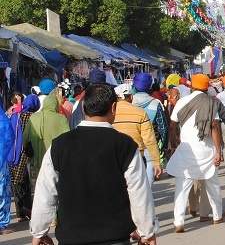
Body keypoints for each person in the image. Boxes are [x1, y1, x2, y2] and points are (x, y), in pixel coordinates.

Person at [29, 83, 156, 245]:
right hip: (115, 238)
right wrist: (147, 232)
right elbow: (139, 193)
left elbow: (45, 193)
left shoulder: (59, 146)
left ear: (83, 107)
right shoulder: (125, 145)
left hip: (71, 238)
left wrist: (39, 232)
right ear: (114, 108)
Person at [167, 74, 225, 232]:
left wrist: (174, 144)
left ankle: (179, 222)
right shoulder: (211, 102)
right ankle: (217, 216)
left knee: (181, 188)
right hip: (206, 150)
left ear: (192, 86)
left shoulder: (181, 101)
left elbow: (172, 125)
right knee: (213, 185)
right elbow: (214, 126)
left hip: (186, 150)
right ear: (207, 87)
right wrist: (218, 151)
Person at [113, 84, 162, 184]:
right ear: (131, 97)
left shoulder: (110, 113)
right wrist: (156, 162)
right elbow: (149, 140)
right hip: (136, 158)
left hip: (115, 159)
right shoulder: (140, 113)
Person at [23, 89, 70, 189]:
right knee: (53, 192)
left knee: (37, 191)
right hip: (55, 165)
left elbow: (24, 139)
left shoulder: (33, 118)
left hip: (35, 164)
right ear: (55, 105)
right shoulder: (61, 119)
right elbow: (68, 141)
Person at [9, 94, 40, 223]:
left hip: (13, 153)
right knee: (27, 184)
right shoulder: (34, 117)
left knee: (17, 183)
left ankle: (20, 213)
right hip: (27, 153)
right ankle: (29, 211)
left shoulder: (15, 115)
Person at [132, 73, 169, 177]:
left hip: (131, 145)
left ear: (134, 86)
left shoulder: (129, 102)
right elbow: (163, 128)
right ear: (150, 87)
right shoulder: (156, 103)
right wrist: (164, 146)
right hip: (150, 146)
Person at [0, 105, 12, 235]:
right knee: (2, 192)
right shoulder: (2, 118)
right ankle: (1, 224)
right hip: (1, 160)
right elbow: (9, 135)